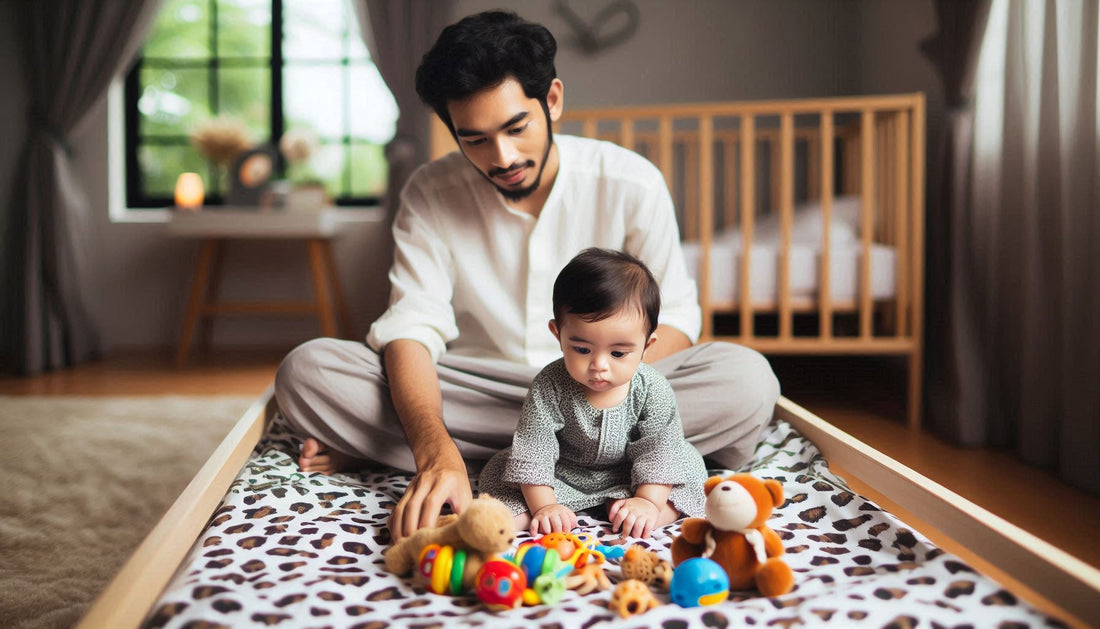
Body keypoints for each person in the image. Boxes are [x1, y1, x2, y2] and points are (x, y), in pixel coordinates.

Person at [273, 10, 779, 541]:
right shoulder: (429, 193)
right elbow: (411, 326)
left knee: (744, 379)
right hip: (480, 388)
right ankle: (484, 458)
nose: (504, 157)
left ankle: (452, 453)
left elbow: (672, 322)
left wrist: (598, 389)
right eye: (475, 140)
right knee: (309, 370)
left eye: (517, 128)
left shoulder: (631, 182)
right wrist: (432, 449)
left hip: (610, 392)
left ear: (552, 100)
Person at [478, 248, 707, 539]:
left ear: (647, 346)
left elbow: (658, 449)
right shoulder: (550, 384)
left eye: (618, 353)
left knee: (685, 465)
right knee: (502, 473)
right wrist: (544, 506)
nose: (599, 365)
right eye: (583, 350)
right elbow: (535, 448)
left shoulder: (653, 389)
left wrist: (647, 500)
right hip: (562, 474)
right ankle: (521, 520)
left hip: (630, 474)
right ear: (557, 334)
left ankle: (645, 514)